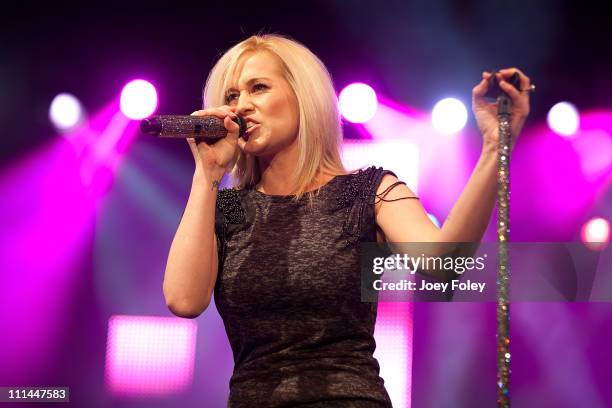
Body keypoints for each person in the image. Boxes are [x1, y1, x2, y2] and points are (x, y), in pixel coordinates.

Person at [162, 34, 531, 407]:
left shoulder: (369, 191)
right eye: (231, 96)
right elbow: (184, 299)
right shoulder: (226, 208)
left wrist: (494, 149)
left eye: (258, 88)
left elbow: (443, 265)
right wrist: (206, 174)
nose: (241, 107)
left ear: (303, 97)